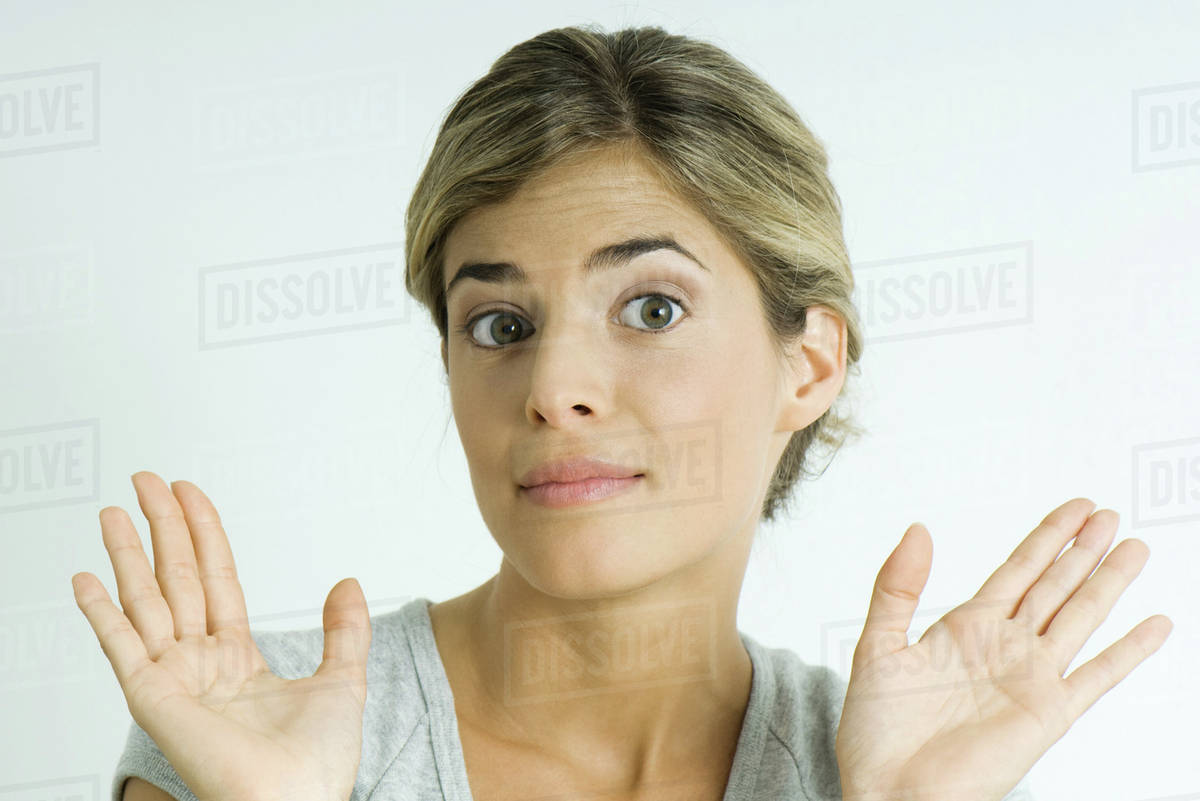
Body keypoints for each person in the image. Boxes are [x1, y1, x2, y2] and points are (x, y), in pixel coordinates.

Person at [74, 23, 1171, 801]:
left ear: (810, 363)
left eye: (650, 307)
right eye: (499, 325)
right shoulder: (244, 739)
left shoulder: (916, 770)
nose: (554, 390)